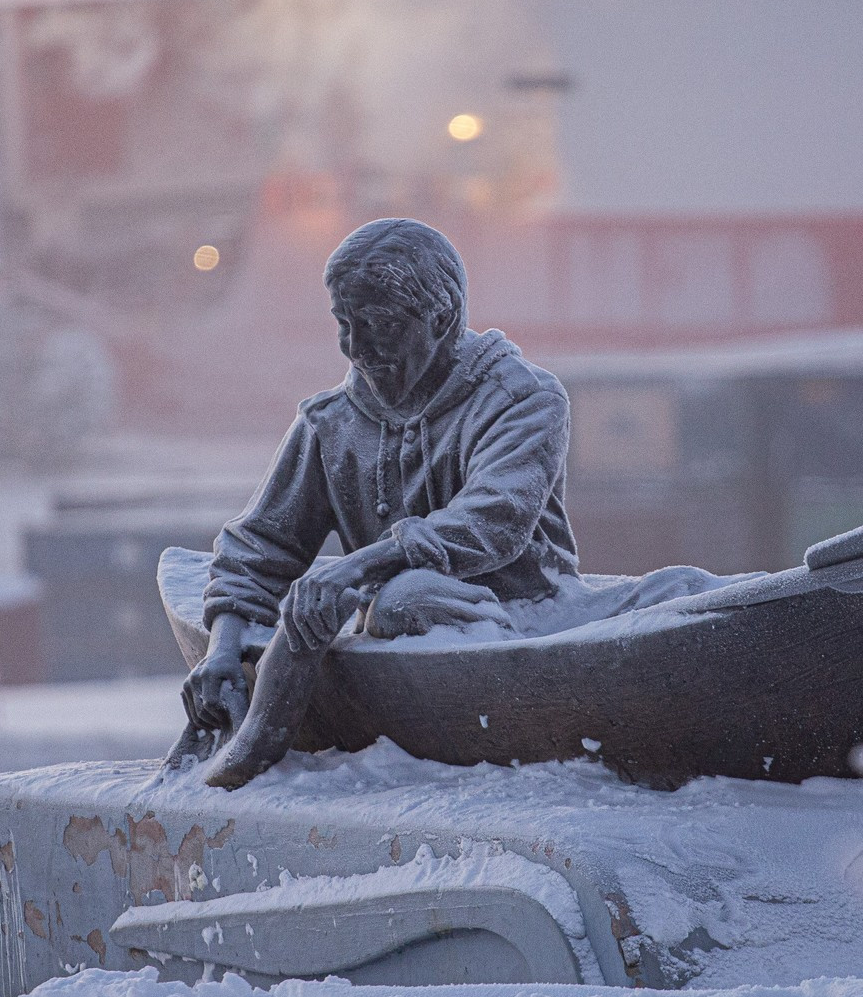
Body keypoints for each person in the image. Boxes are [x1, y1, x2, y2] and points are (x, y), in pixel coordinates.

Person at [168, 218, 582, 787]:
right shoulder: (330, 423)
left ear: (441, 317)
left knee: (399, 599)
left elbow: (493, 519)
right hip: (386, 626)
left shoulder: (524, 398)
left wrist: (357, 569)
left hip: (528, 621)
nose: (357, 348)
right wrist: (224, 647)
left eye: (380, 324)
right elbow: (260, 548)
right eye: (344, 323)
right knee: (378, 604)